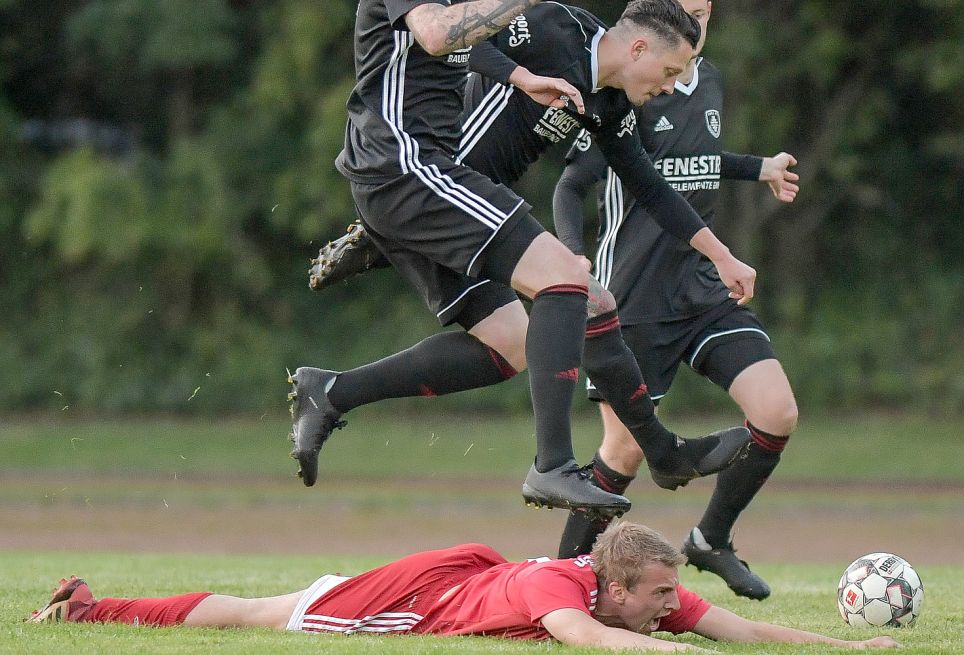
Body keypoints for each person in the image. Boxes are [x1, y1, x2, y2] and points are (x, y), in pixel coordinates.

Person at [292, 0, 755, 513]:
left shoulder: (608, 101)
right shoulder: (556, 27)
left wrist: (721, 256)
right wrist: (519, 75)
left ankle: (331, 391)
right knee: (568, 284)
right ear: (639, 47)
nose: (671, 87)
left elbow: (648, 185)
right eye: (669, 72)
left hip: (445, 198)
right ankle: (556, 466)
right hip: (424, 174)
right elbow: (453, 38)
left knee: (518, 342)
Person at [552, 0, 799, 601]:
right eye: (687, 8)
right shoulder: (624, 90)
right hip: (634, 294)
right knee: (625, 449)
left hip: (703, 290)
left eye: (706, 8)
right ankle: (557, 581)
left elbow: (692, 164)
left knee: (776, 412)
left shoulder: (704, 77)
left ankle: (711, 539)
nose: (700, 18)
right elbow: (571, 183)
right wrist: (569, 258)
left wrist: (757, 166)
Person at [28, 522, 900, 652]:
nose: (676, 605)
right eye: (663, 595)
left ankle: (89, 601)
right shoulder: (562, 591)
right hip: (413, 600)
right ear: (617, 582)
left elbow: (742, 633)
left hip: (463, 567)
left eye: (674, 595)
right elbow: (589, 638)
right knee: (265, 614)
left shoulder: (643, 589)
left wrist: (849, 646)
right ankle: (89, 605)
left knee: (269, 604)